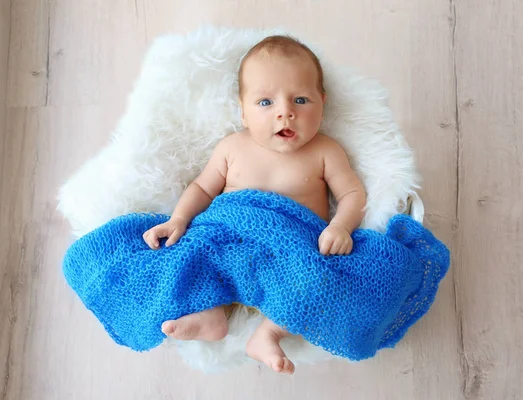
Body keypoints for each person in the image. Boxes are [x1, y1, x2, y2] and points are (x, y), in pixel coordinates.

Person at [143, 35, 366, 374]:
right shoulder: (232, 147)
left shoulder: (326, 151)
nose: (285, 113)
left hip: (290, 252)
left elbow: (352, 195)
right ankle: (211, 315)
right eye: (265, 103)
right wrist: (178, 219)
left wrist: (340, 226)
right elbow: (203, 188)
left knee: (319, 282)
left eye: (301, 100)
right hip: (230, 238)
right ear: (242, 110)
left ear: (323, 102)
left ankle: (268, 333)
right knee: (193, 254)